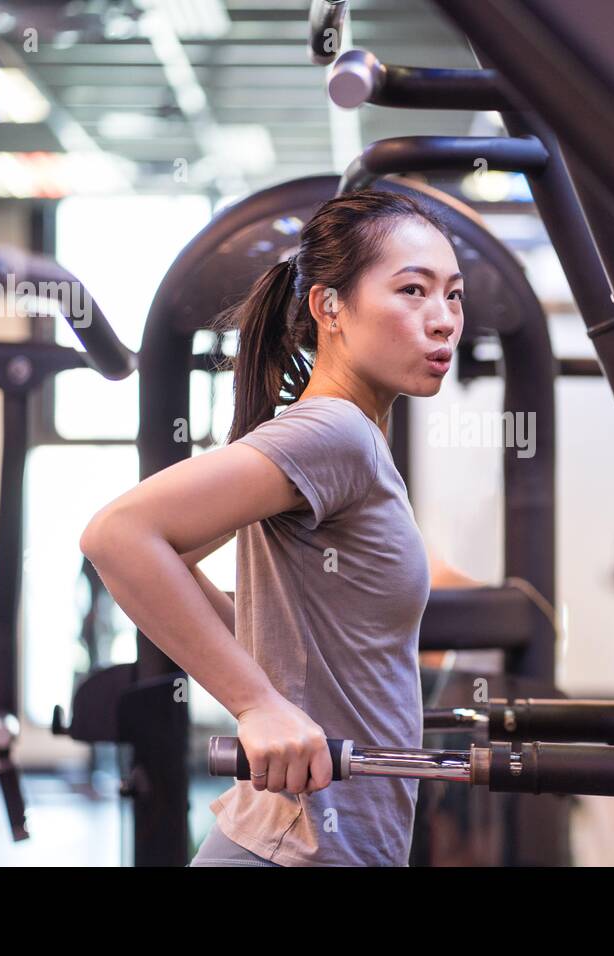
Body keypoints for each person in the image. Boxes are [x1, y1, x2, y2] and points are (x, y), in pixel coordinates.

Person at [79, 189, 469, 866]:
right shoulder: (334, 431)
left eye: (453, 295)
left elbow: (177, 563)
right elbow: (119, 536)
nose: (443, 320)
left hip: (313, 841)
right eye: (412, 290)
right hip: (298, 848)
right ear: (329, 308)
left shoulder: (351, 438)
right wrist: (257, 703)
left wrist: (265, 663)